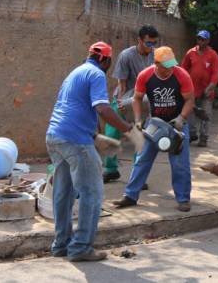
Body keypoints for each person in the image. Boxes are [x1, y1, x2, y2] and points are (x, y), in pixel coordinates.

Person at [45, 42, 136, 262]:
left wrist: (96, 136)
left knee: (63, 193)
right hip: (75, 139)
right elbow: (103, 109)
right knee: (92, 193)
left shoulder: (75, 73)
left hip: (55, 136)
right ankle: (81, 247)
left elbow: (78, 107)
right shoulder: (96, 74)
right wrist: (129, 130)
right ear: (106, 60)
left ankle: (61, 245)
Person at [113, 46, 195, 212]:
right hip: (154, 124)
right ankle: (130, 195)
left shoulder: (182, 75)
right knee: (142, 159)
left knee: (180, 164)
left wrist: (181, 118)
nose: (169, 69)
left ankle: (183, 198)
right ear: (156, 63)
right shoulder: (146, 76)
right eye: (166, 66)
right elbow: (136, 98)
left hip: (176, 125)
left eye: (172, 65)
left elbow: (190, 100)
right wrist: (137, 120)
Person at [102, 24, 159, 183]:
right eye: (148, 43)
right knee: (112, 132)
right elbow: (122, 84)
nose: (151, 47)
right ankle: (110, 169)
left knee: (140, 135)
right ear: (139, 40)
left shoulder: (155, 56)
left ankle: (138, 175)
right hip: (125, 95)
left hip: (144, 100)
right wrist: (120, 103)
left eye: (154, 43)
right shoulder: (126, 55)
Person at [181, 30, 218, 147]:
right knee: (189, 113)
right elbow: (183, 69)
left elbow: (215, 74)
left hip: (206, 91)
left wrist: (209, 88)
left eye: (203, 39)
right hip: (192, 91)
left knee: (206, 115)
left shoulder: (213, 55)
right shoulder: (190, 53)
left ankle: (204, 138)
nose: (200, 41)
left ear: (208, 41)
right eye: (199, 39)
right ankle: (191, 134)